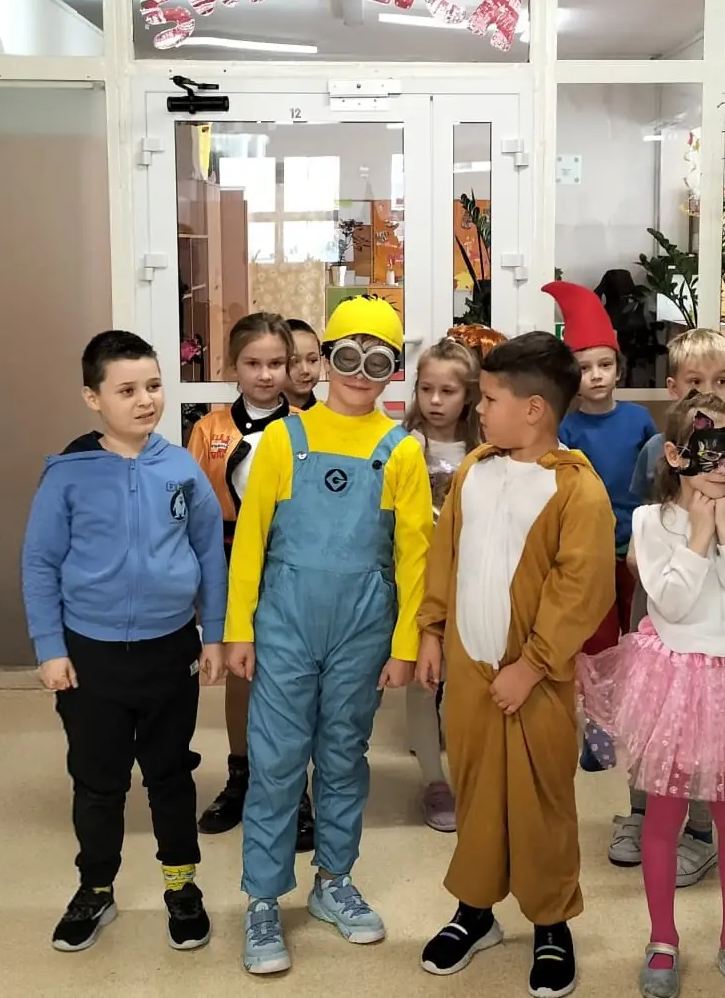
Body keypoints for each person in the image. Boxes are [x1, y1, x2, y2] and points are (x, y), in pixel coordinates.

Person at [578, 393, 725, 998]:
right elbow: (674, 602)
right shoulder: (650, 522)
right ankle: (663, 939)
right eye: (711, 452)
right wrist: (699, 535)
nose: (724, 466)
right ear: (678, 454)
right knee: (664, 813)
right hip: (675, 684)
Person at [224, 296, 432, 977]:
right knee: (276, 759)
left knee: (343, 755)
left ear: (394, 370)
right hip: (284, 620)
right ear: (318, 363)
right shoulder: (284, 440)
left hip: (363, 626)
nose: (359, 373)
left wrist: (405, 645)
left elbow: (414, 556)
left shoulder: (400, 450)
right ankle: (262, 896)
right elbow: (250, 541)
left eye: (378, 360)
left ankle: (333, 880)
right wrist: (237, 628)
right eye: (347, 356)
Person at [415, 332, 615, 998]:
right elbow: (444, 555)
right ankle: (475, 910)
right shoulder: (475, 468)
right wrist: (432, 631)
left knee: (540, 800)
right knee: (475, 791)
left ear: (533, 409)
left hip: (535, 680)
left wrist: (531, 666)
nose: (479, 409)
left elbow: (581, 589)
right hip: (470, 670)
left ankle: (551, 921)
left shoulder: (576, 489)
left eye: (491, 399)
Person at [23, 330, 230, 954]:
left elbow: (208, 552)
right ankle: (95, 888)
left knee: (170, 774)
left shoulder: (180, 467)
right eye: (127, 390)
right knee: (98, 780)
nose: (146, 400)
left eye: (154, 386)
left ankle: (181, 885)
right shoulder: (67, 476)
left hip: (171, 649)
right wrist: (49, 647)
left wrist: (214, 635)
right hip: (92, 655)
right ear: (93, 398)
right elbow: (40, 563)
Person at [618, 327, 725, 886]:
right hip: (668, 619)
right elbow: (649, 524)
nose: (721, 464)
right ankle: (643, 814)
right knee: (662, 738)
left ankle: (701, 833)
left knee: (720, 755)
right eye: (697, 382)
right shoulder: (655, 460)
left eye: (722, 381)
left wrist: (723, 533)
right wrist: (684, 541)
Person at [187, 314, 308, 847]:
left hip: (290, 561)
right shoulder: (209, 429)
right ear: (232, 366)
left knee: (292, 674)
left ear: (291, 366)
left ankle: (293, 788)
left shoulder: (308, 427)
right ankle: (241, 776)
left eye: (276, 363)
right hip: (228, 557)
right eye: (252, 363)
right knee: (241, 670)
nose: (265, 374)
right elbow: (194, 509)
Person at [544, 281, 656, 773]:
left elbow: (658, 481)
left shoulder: (639, 420)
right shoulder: (566, 429)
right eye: (585, 367)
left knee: (638, 640)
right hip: (588, 554)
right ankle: (598, 728)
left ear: (618, 367)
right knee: (595, 645)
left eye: (604, 365)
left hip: (638, 550)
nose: (596, 375)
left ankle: (636, 721)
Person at [402, 335, 484, 833]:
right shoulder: (406, 444)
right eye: (426, 389)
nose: (435, 401)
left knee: (465, 681)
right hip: (420, 581)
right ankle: (434, 780)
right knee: (423, 680)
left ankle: (469, 774)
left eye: (447, 391)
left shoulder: (485, 447)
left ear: (468, 394)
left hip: (471, 580)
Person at [284, 318, 322, 411]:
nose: (305, 370)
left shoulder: (328, 414)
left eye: (312, 360)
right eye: (294, 361)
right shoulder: (260, 416)